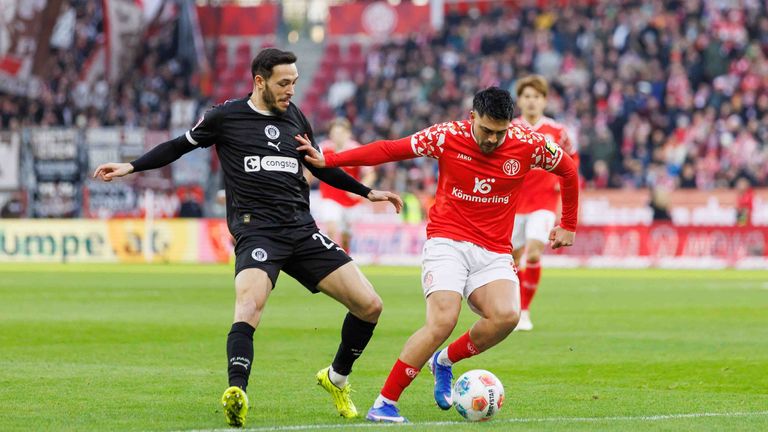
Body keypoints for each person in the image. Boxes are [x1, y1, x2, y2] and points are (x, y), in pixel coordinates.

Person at [93, 48, 403, 428]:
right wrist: (130, 166)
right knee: (249, 306)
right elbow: (178, 146)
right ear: (260, 82)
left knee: (370, 305)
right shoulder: (225, 117)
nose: (291, 90)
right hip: (257, 229)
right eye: (283, 83)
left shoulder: (295, 117)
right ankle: (237, 391)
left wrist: (368, 193)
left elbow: (319, 166)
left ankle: (336, 377)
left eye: (295, 82)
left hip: (302, 231)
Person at [297, 86, 579, 423]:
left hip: (493, 251)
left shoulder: (529, 142)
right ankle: (385, 403)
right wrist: (332, 159)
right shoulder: (446, 136)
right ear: (472, 117)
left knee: (506, 317)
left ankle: (443, 361)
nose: (491, 139)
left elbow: (569, 171)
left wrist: (568, 225)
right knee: (443, 319)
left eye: (499, 133)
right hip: (448, 242)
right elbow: (391, 149)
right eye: (486, 130)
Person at [510, 75, 579, 331]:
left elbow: (573, 160)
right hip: (513, 205)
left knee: (535, 251)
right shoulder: (509, 129)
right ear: (519, 100)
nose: (531, 102)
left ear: (544, 101)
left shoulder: (558, 132)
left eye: (536, 97)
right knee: (512, 258)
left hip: (544, 204)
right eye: (526, 97)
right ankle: (514, 308)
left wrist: (561, 181)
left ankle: (525, 312)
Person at [308, 117, 376, 250]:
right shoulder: (323, 149)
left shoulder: (356, 149)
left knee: (346, 237)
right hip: (330, 197)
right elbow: (310, 171)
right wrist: (303, 185)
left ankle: (345, 261)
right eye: (334, 134)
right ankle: (333, 262)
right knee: (332, 229)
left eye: (340, 133)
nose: (337, 137)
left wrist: (360, 191)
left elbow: (370, 173)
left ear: (348, 134)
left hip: (351, 201)